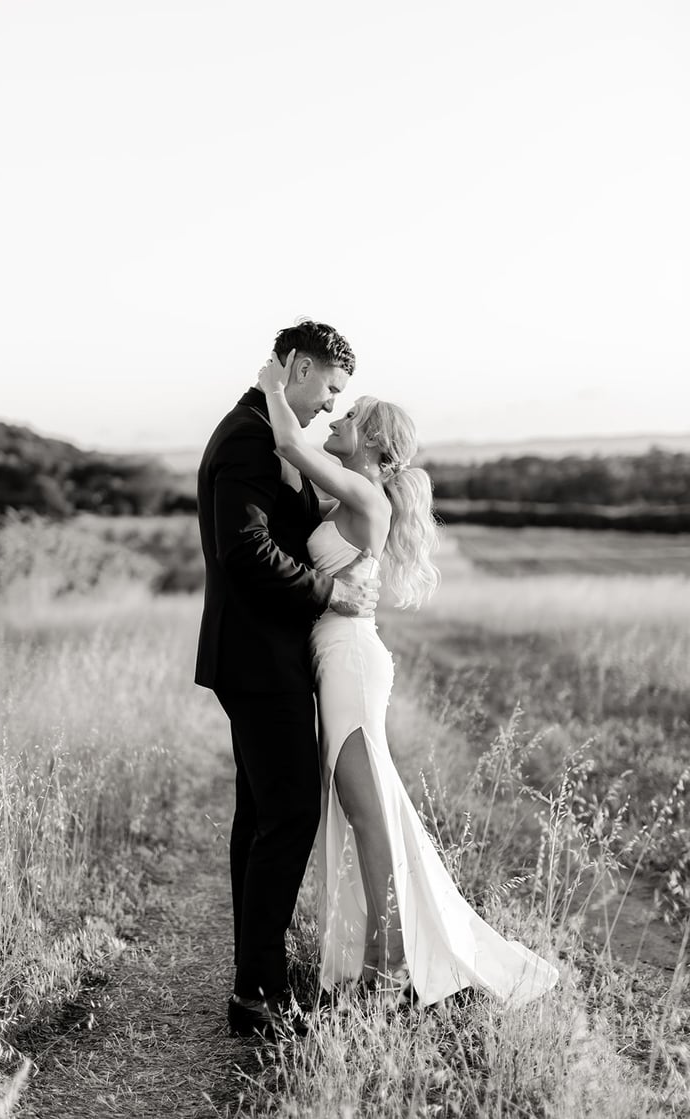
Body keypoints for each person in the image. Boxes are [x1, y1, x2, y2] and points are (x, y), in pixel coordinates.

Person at [257, 350, 559, 1010]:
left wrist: (271, 383)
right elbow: (289, 464)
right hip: (336, 659)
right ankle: (387, 951)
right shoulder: (349, 492)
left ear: (375, 448)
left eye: (351, 417)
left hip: (351, 664)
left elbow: (284, 439)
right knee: (371, 809)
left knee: (369, 816)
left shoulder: (364, 493)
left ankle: (386, 965)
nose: (337, 418)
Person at [194, 320, 380, 1038]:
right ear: (298, 366)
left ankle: (255, 978)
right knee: (291, 811)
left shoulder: (264, 430)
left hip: (265, 654)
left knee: (262, 816)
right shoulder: (245, 437)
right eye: (330, 386)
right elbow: (245, 551)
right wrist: (329, 595)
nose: (333, 404)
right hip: (257, 656)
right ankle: (257, 990)